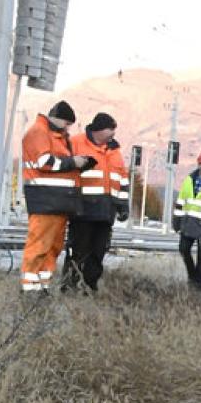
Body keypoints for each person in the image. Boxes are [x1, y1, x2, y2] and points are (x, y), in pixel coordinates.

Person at [18, 101, 91, 294]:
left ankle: (42, 286)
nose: (68, 128)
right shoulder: (38, 133)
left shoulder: (56, 136)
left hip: (57, 201)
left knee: (52, 247)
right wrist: (72, 162)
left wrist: (76, 163)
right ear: (57, 118)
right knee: (39, 244)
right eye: (67, 124)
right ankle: (30, 288)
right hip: (45, 200)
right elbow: (45, 162)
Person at [59, 112, 128, 293]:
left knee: (98, 252)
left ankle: (90, 288)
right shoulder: (76, 143)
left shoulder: (115, 151)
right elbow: (64, 171)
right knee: (78, 250)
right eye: (110, 129)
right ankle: (69, 285)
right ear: (98, 129)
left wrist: (123, 205)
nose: (113, 133)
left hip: (106, 213)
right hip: (83, 211)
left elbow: (123, 180)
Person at [173, 151, 201, 288]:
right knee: (183, 249)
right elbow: (180, 202)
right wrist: (176, 221)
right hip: (188, 222)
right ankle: (192, 276)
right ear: (198, 164)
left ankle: (199, 284)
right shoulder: (188, 180)